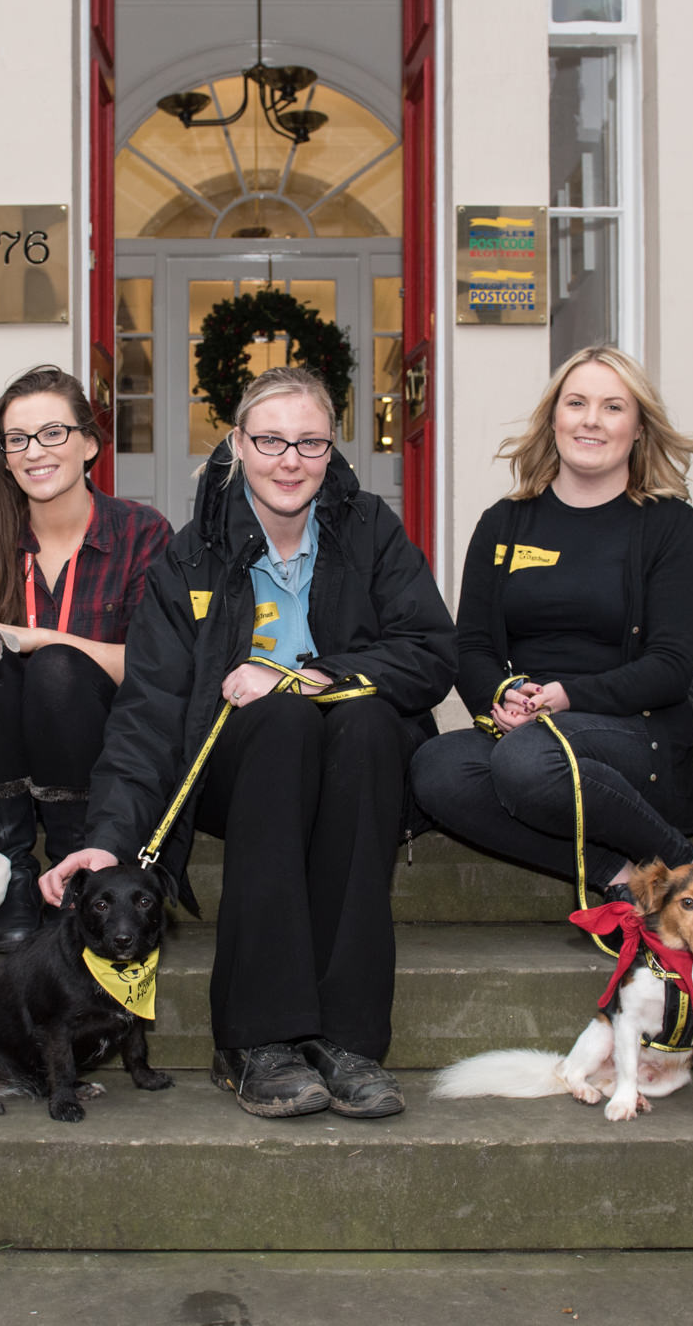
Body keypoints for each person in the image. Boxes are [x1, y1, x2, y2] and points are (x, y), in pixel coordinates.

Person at [38, 366, 457, 1120]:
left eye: (309, 441)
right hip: (246, 769)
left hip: (351, 763)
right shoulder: (192, 555)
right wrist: (109, 838)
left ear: (333, 448)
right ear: (237, 443)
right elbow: (149, 712)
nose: (289, 459)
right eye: (269, 440)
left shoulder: (370, 529)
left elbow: (430, 651)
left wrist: (317, 674)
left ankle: (348, 1038)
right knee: (283, 722)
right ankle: (254, 1038)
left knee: (361, 724)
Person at [410, 345, 693, 899]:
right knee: (436, 767)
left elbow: (670, 667)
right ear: (554, 418)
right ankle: (617, 877)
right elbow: (471, 643)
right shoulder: (504, 523)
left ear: (640, 427)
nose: (591, 419)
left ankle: (686, 864)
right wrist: (502, 696)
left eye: (613, 406)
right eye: (576, 403)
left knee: (529, 761)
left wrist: (564, 697)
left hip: (630, 730)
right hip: (532, 727)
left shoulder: (672, 527)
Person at [0, 366, 172, 951]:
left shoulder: (143, 532)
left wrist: (41, 639)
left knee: (54, 667)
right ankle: (13, 869)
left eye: (53, 433)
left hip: (108, 748)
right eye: (17, 440)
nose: (34, 451)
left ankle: (74, 866)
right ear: (4, 457)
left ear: (90, 443)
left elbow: (157, 669)